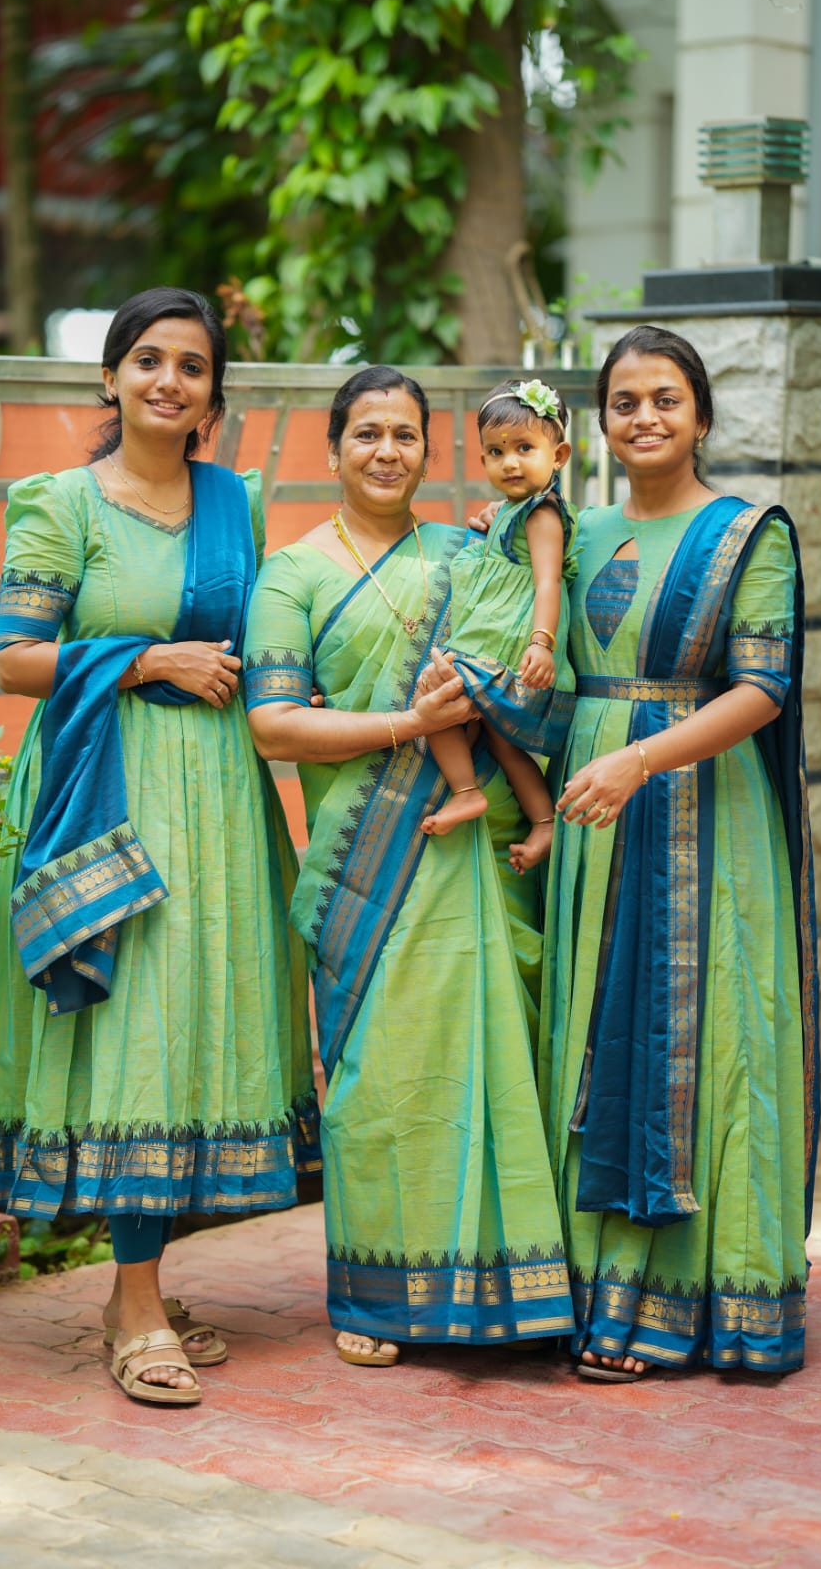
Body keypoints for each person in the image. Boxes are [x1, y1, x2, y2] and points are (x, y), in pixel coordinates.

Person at [0, 287, 318, 1408]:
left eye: (193, 366)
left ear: (215, 392)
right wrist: (147, 660)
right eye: (148, 360)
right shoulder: (59, 503)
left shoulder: (234, 504)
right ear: (110, 377)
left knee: (198, 1028)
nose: (170, 380)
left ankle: (144, 1287)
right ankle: (135, 1302)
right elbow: (15, 658)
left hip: (218, 794)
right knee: (132, 1032)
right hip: (105, 786)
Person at [243, 364, 574, 1366]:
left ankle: (512, 1286)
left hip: (477, 852)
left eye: (405, 434)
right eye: (366, 433)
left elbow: (536, 686)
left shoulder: (472, 552)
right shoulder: (292, 572)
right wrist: (406, 722)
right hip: (365, 864)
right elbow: (272, 723)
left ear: (430, 452)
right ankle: (378, 1296)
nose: (386, 449)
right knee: (382, 1078)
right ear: (333, 448)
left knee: (494, 1055)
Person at [539, 325, 819, 1379]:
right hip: (589, 823)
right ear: (598, 422)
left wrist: (638, 763)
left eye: (666, 399)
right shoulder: (574, 529)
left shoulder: (748, 533)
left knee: (705, 1044)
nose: (644, 417)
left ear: (701, 416)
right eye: (623, 402)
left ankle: (690, 1301)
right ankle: (583, 1292)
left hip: (703, 813)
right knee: (586, 1030)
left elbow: (761, 688)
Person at [419, 378, 575, 876]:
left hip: (511, 645)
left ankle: (466, 792)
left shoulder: (541, 514)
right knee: (502, 741)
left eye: (525, 448)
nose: (510, 462)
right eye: (495, 452)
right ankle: (544, 820)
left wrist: (542, 643)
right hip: (494, 640)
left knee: (435, 696)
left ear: (559, 455)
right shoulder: (510, 512)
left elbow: (548, 582)